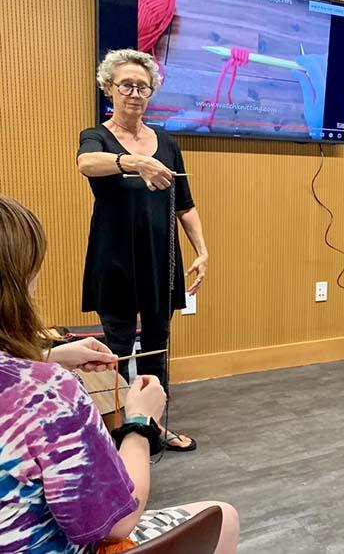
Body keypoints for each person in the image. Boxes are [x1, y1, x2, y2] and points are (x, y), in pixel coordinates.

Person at [0, 195, 238, 553]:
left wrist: (49, 356)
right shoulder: (47, 394)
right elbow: (116, 524)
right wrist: (140, 423)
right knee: (224, 515)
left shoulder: (45, 379)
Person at [76, 49, 208, 451]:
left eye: (142, 86)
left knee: (156, 347)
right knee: (114, 349)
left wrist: (202, 250)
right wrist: (134, 163)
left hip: (160, 262)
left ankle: (152, 426)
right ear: (109, 89)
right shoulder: (96, 136)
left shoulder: (166, 142)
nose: (135, 93)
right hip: (114, 260)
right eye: (126, 85)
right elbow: (86, 163)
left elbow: (185, 204)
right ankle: (113, 436)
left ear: (151, 92)